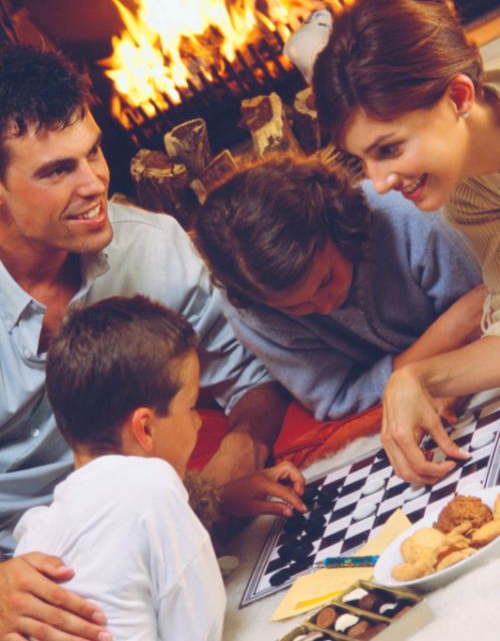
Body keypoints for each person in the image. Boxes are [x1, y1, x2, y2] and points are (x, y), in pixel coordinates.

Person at [0, 44, 291, 639]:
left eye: (94, 152)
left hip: (162, 526)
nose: (95, 184)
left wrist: (218, 475)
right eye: (58, 170)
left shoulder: (154, 246)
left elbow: (255, 380)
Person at [14, 295, 305, 641]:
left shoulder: (35, 530)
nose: (198, 423)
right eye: (192, 407)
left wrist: (217, 498)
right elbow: (201, 629)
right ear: (146, 428)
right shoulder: (154, 485)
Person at [311, 0, 500, 485]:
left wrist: (425, 374)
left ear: (458, 96)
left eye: (389, 149)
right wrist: (413, 377)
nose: (377, 183)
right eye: (363, 159)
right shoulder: (467, 192)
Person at [195, 153, 483, 421]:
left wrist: (443, 369)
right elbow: (336, 397)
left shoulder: (408, 215)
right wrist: (451, 332)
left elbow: (487, 308)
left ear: (341, 229)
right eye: (295, 307)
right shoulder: (247, 307)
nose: (324, 306)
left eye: (326, 280)